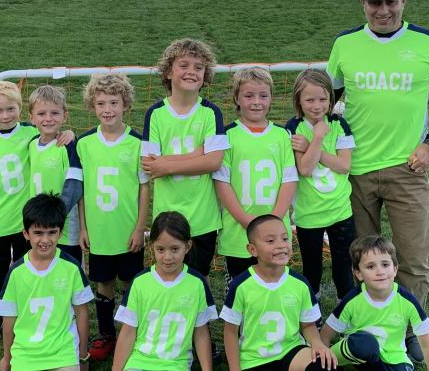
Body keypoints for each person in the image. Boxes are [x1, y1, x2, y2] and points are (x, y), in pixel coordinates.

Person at [326, 0, 429, 360]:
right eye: (375, 3)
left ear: (404, 1)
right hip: (356, 170)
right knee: (359, 255)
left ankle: (409, 330)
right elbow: (326, 100)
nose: (383, 10)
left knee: (412, 257)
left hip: (407, 169)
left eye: (390, 1)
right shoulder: (345, 44)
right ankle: (364, 323)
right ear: (364, 4)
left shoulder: (427, 42)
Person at [0, 81, 73, 344]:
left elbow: (52, 134)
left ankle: (26, 313)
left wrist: (68, 133)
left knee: (27, 269)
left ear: (20, 110)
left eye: (10, 109)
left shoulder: (29, 133)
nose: (5, 115)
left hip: (27, 222)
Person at [141, 38, 229, 280]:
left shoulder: (211, 112)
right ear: (169, 71)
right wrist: (197, 155)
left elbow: (213, 163)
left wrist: (166, 164)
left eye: (198, 67)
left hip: (203, 219)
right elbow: (150, 165)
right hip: (166, 218)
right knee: (168, 279)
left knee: (198, 282)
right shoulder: (156, 114)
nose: (191, 71)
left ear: (205, 75)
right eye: (184, 65)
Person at [76, 73, 150, 361]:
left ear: (125, 105)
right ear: (93, 107)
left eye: (114, 103)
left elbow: (145, 188)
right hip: (99, 231)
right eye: (101, 103)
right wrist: (83, 227)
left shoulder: (137, 142)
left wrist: (140, 227)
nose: (107, 109)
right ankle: (107, 334)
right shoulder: (84, 144)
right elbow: (81, 191)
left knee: (133, 283)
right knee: (103, 283)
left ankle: (134, 334)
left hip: (128, 229)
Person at [221, 214, 337, 371]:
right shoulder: (241, 285)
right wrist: (235, 368)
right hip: (254, 359)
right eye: (270, 241)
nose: (281, 245)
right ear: (252, 249)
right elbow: (230, 331)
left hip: (291, 352)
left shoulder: (300, 283)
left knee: (324, 366)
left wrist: (317, 343)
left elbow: (308, 325)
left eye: (284, 238)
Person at [214, 68, 298, 282]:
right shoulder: (227, 136)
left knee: (275, 283)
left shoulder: (282, 136)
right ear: (236, 98)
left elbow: (289, 181)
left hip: (276, 231)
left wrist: (274, 221)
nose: (256, 102)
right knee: (239, 287)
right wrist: (247, 222)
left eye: (263, 95)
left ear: (271, 98)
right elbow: (222, 183)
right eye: (249, 96)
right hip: (238, 232)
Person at [0, 193, 94, 371]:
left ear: (60, 233)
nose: (45, 240)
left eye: (52, 232)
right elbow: (9, 318)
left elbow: (82, 313)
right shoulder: (16, 272)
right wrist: (7, 358)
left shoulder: (71, 268)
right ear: (26, 234)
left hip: (63, 353)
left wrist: (82, 355)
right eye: (38, 233)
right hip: (25, 355)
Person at [112, 211, 217, 371]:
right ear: (151, 246)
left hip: (176, 365)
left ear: (187, 247)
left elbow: (201, 333)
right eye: (160, 249)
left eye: (175, 249)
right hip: (139, 362)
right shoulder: (140, 282)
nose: (167, 257)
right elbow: (128, 332)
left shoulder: (197, 284)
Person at [285, 69, 355, 303]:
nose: (317, 105)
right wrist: (316, 138)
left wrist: (317, 144)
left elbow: (344, 165)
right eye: (310, 100)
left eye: (323, 99)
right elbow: (304, 169)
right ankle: (311, 316)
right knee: (311, 269)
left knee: (343, 268)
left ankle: (346, 313)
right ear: (298, 101)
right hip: (309, 214)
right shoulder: (294, 127)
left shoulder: (339, 125)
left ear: (331, 100)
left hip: (340, 211)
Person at [320, 236, 429, 371]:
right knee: (366, 344)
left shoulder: (407, 301)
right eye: (370, 266)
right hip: (358, 354)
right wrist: (323, 362)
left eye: (385, 264)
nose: (380, 271)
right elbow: (325, 336)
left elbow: (427, 345)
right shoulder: (352, 300)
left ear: (395, 269)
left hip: (394, 358)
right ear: (358, 273)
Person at [28, 85, 84, 262]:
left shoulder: (68, 146)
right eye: (41, 114)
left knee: (68, 271)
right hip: (38, 223)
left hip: (64, 228)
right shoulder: (31, 144)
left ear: (65, 116)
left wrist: (55, 216)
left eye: (55, 113)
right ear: (32, 118)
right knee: (44, 267)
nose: (48, 119)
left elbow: (74, 185)